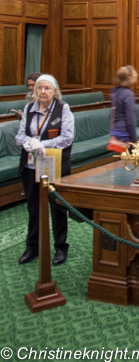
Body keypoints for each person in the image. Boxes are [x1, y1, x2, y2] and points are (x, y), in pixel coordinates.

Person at [15, 74, 74, 265]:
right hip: (30, 166)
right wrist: (30, 142)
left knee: (57, 208)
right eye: (39, 88)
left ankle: (60, 247)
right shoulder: (29, 109)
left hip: (53, 165)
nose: (42, 91)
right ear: (34, 91)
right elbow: (19, 136)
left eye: (47, 88)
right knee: (33, 208)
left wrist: (42, 144)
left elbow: (67, 137)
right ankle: (33, 247)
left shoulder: (63, 109)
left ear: (55, 90)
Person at [107, 65, 138, 151]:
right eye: (135, 72)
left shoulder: (115, 92)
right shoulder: (128, 94)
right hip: (124, 135)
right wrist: (135, 140)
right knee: (128, 163)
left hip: (115, 133)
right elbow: (130, 120)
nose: (137, 74)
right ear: (129, 77)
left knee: (119, 162)